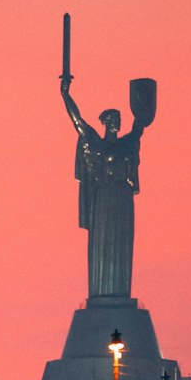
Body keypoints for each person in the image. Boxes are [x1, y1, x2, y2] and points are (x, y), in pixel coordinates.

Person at [60, 76, 149, 301]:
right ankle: (101, 292)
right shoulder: (96, 145)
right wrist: (65, 94)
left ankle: (120, 292)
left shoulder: (126, 144)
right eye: (114, 119)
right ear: (106, 122)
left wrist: (144, 106)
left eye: (119, 119)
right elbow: (78, 122)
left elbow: (139, 128)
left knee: (122, 243)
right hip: (103, 198)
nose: (117, 122)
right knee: (102, 244)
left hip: (122, 197)